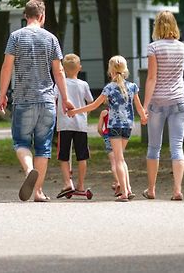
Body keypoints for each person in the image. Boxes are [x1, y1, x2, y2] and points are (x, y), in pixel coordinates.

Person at [0, 0, 74, 202]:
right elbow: (58, 70)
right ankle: (38, 192)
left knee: (21, 142)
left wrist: (2, 94)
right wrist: (65, 99)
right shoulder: (51, 39)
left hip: (23, 99)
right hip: (47, 100)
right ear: (42, 16)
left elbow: (7, 67)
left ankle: (29, 169)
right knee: (43, 147)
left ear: (26, 16)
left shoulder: (15, 37)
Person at [68, 55, 147, 202]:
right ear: (125, 70)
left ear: (110, 70)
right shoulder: (132, 87)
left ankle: (124, 192)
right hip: (128, 126)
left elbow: (93, 105)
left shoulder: (109, 88)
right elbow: (139, 108)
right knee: (121, 159)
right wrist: (143, 117)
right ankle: (128, 189)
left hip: (114, 126)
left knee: (118, 160)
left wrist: (75, 111)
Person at [142, 10, 184, 201]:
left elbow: (152, 77)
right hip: (179, 100)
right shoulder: (183, 48)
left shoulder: (153, 48)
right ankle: (177, 189)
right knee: (177, 147)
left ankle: (152, 189)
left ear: (157, 26)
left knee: (154, 147)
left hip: (158, 103)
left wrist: (145, 105)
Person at [55, 54, 93, 198]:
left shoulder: (60, 84)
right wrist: (84, 115)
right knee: (82, 156)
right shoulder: (84, 85)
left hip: (64, 124)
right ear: (80, 68)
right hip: (80, 125)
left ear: (63, 69)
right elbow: (90, 102)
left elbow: (54, 100)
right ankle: (81, 185)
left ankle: (67, 183)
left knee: (64, 155)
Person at [97, 108, 120, 196]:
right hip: (119, 136)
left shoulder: (104, 112)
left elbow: (99, 128)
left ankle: (117, 182)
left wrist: (105, 136)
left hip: (108, 136)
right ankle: (119, 182)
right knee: (120, 161)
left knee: (113, 163)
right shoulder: (119, 110)